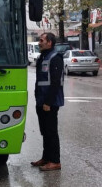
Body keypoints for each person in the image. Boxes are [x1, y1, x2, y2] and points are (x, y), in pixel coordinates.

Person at [31, 32, 64, 171]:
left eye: (41, 40)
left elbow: (55, 83)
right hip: (41, 100)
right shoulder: (42, 57)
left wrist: (48, 103)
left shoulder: (55, 58)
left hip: (50, 102)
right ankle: (46, 157)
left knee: (51, 131)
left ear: (49, 42)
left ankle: (55, 161)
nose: (39, 42)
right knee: (44, 131)